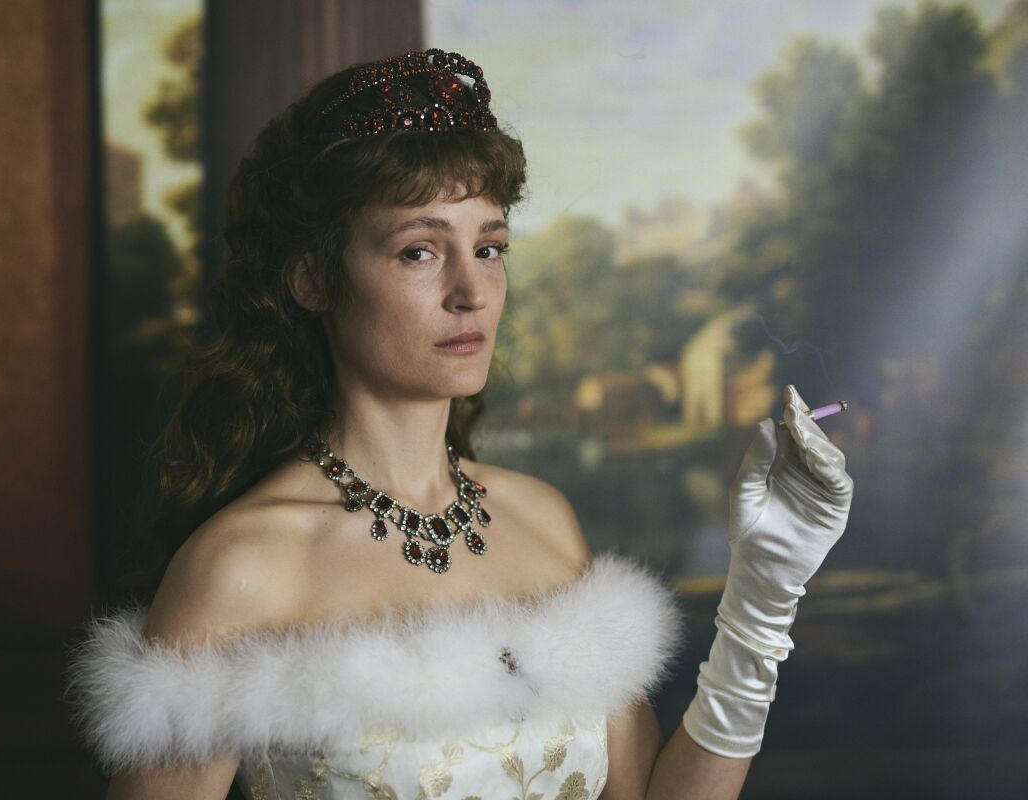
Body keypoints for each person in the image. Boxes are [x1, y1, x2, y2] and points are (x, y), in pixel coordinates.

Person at [67, 48, 854, 800]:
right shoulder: (241, 568)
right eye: (418, 251)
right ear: (312, 278)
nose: (471, 291)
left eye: (489, 246)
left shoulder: (543, 523)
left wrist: (762, 601)